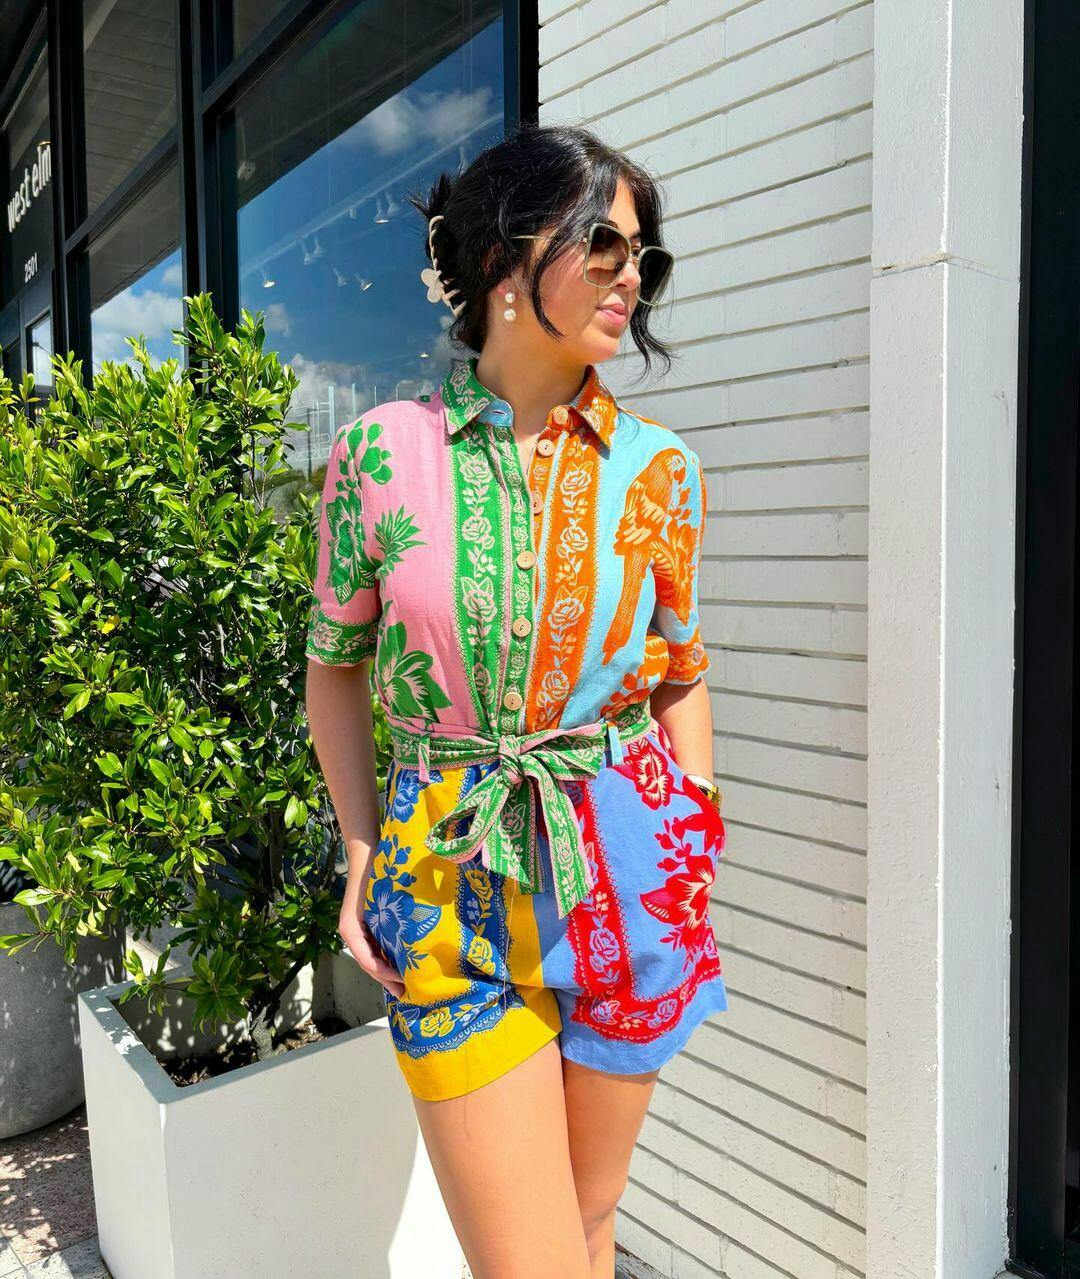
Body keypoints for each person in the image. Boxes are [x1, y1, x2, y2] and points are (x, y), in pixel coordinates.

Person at [304, 121, 728, 1279]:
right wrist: (361, 852)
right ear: (506, 254)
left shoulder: (661, 470)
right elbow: (333, 666)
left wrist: (694, 822)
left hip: (629, 869)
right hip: (447, 876)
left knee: (588, 1225)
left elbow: (681, 667)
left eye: (644, 255)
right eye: (603, 243)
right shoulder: (382, 456)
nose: (631, 275)